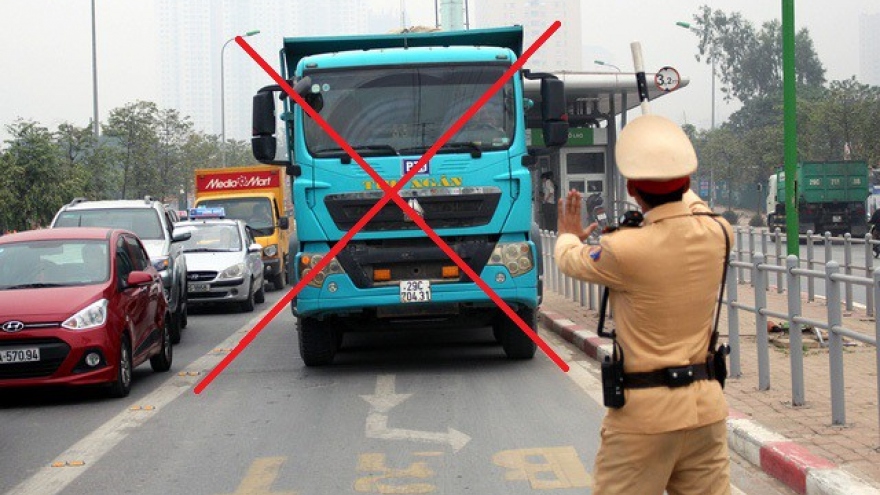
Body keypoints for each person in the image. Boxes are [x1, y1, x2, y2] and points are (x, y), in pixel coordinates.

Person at [555, 114, 733, 494]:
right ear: (686, 180)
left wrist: (567, 234)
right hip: (706, 410)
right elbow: (693, 204)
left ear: (633, 189)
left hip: (645, 418)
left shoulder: (625, 249)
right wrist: (665, 158)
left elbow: (569, 259)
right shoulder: (719, 233)